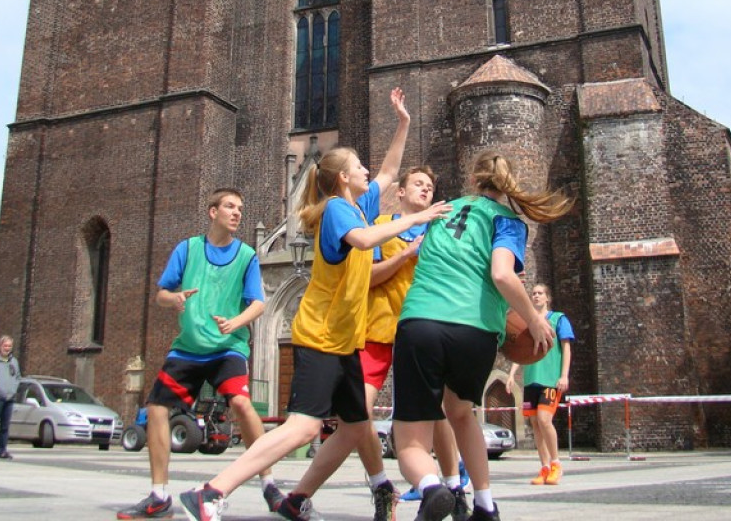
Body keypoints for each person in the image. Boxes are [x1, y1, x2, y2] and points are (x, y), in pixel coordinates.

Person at [179, 88, 451, 521]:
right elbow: (363, 241)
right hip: (321, 336)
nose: (368, 172)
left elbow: (388, 171)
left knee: (357, 423)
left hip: (342, 342)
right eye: (358, 167)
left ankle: (298, 500)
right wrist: (415, 219)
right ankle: (211, 491)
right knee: (304, 426)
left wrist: (403, 124)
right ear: (343, 178)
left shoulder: (356, 206)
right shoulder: (337, 212)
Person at [392, 150, 573, 521]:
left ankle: (431, 487)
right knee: (461, 414)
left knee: (409, 438)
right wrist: (534, 321)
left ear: (473, 180)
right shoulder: (508, 220)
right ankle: (485, 505)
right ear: (506, 185)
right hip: (476, 333)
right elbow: (502, 275)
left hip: (422, 322)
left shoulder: (441, 212)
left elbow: (423, 251)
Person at [117, 188, 282, 520]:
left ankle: (270, 484)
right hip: (189, 348)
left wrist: (235, 322)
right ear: (213, 212)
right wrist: (175, 300)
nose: (237, 213)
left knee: (240, 403)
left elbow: (260, 304)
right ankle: (159, 496)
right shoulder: (187, 249)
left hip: (227, 348)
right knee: (157, 408)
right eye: (230, 207)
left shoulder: (247, 255)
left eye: (240, 208)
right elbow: (162, 294)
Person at [360, 167, 471, 520]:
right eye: (419, 184)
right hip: (379, 327)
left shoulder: (441, 230)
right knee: (357, 410)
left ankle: (453, 488)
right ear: (402, 191)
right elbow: (368, 278)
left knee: (435, 411)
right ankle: (381, 486)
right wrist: (407, 254)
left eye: (430, 186)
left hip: (423, 330)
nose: (426, 189)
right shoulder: (380, 224)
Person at [505, 283, 574, 485]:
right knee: (535, 424)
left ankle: (556, 464)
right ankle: (544, 467)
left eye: (540, 293)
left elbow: (566, 348)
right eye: (533, 293)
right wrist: (511, 374)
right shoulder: (528, 322)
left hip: (550, 378)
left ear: (547, 298)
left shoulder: (558, 319)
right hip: (531, 379)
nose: (535, 296)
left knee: (544, 420)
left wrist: (564, 375)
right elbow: (521, 351)